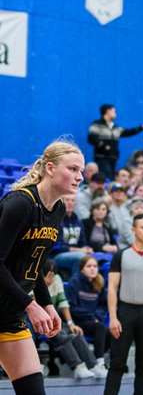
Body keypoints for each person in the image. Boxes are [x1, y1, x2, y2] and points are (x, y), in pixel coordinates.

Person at [0, 141, 84, 394]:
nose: (79, 177)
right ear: (50, 167)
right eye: (73, 169)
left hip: (9, 313)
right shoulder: (21, 203)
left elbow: (33, 267)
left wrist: (48, 305)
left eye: (81, 171)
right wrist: (31, 306)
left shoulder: (57, 209)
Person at [104, 214, 143, 395]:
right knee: (117, 364)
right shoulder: (121, 255)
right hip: (125, 312)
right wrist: (114, 317)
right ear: (133, 230)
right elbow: (112, 288)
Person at [41, 259, 106, 380]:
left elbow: (63, 302)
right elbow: (32, 306)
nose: (51, 277)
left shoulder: (57, 279)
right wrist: (43, 286)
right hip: (36, 319)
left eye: (53, 274)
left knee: (75, 332)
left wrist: (71, 323)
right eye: (48, 274)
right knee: (60, 333)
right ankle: (77, 366)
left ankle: (93, 365)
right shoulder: (32, 281)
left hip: (53, 318)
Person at [87, 104, 143, 178]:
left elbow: (128, 132)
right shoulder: (96, 125)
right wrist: (103, 146)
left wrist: (141, 127)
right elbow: (91, 138)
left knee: (111, 176)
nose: (115, 114)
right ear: (108, 111)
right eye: (114, 111)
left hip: (113, 157)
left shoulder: (115, 128)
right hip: (102, 157)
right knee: (106, 175)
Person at [66, 255, 110, 366]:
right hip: (78, 321)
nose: (92, 269)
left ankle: (100, 359)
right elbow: (71, 306)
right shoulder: (75, 282)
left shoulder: (99, 283)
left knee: (111, 333)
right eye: (89, 266)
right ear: (82, 269)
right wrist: (91, 317)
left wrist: (96, 317)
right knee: (100, 327)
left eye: (95, 266)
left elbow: (103, 306)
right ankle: (99, 362)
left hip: (93, 321)